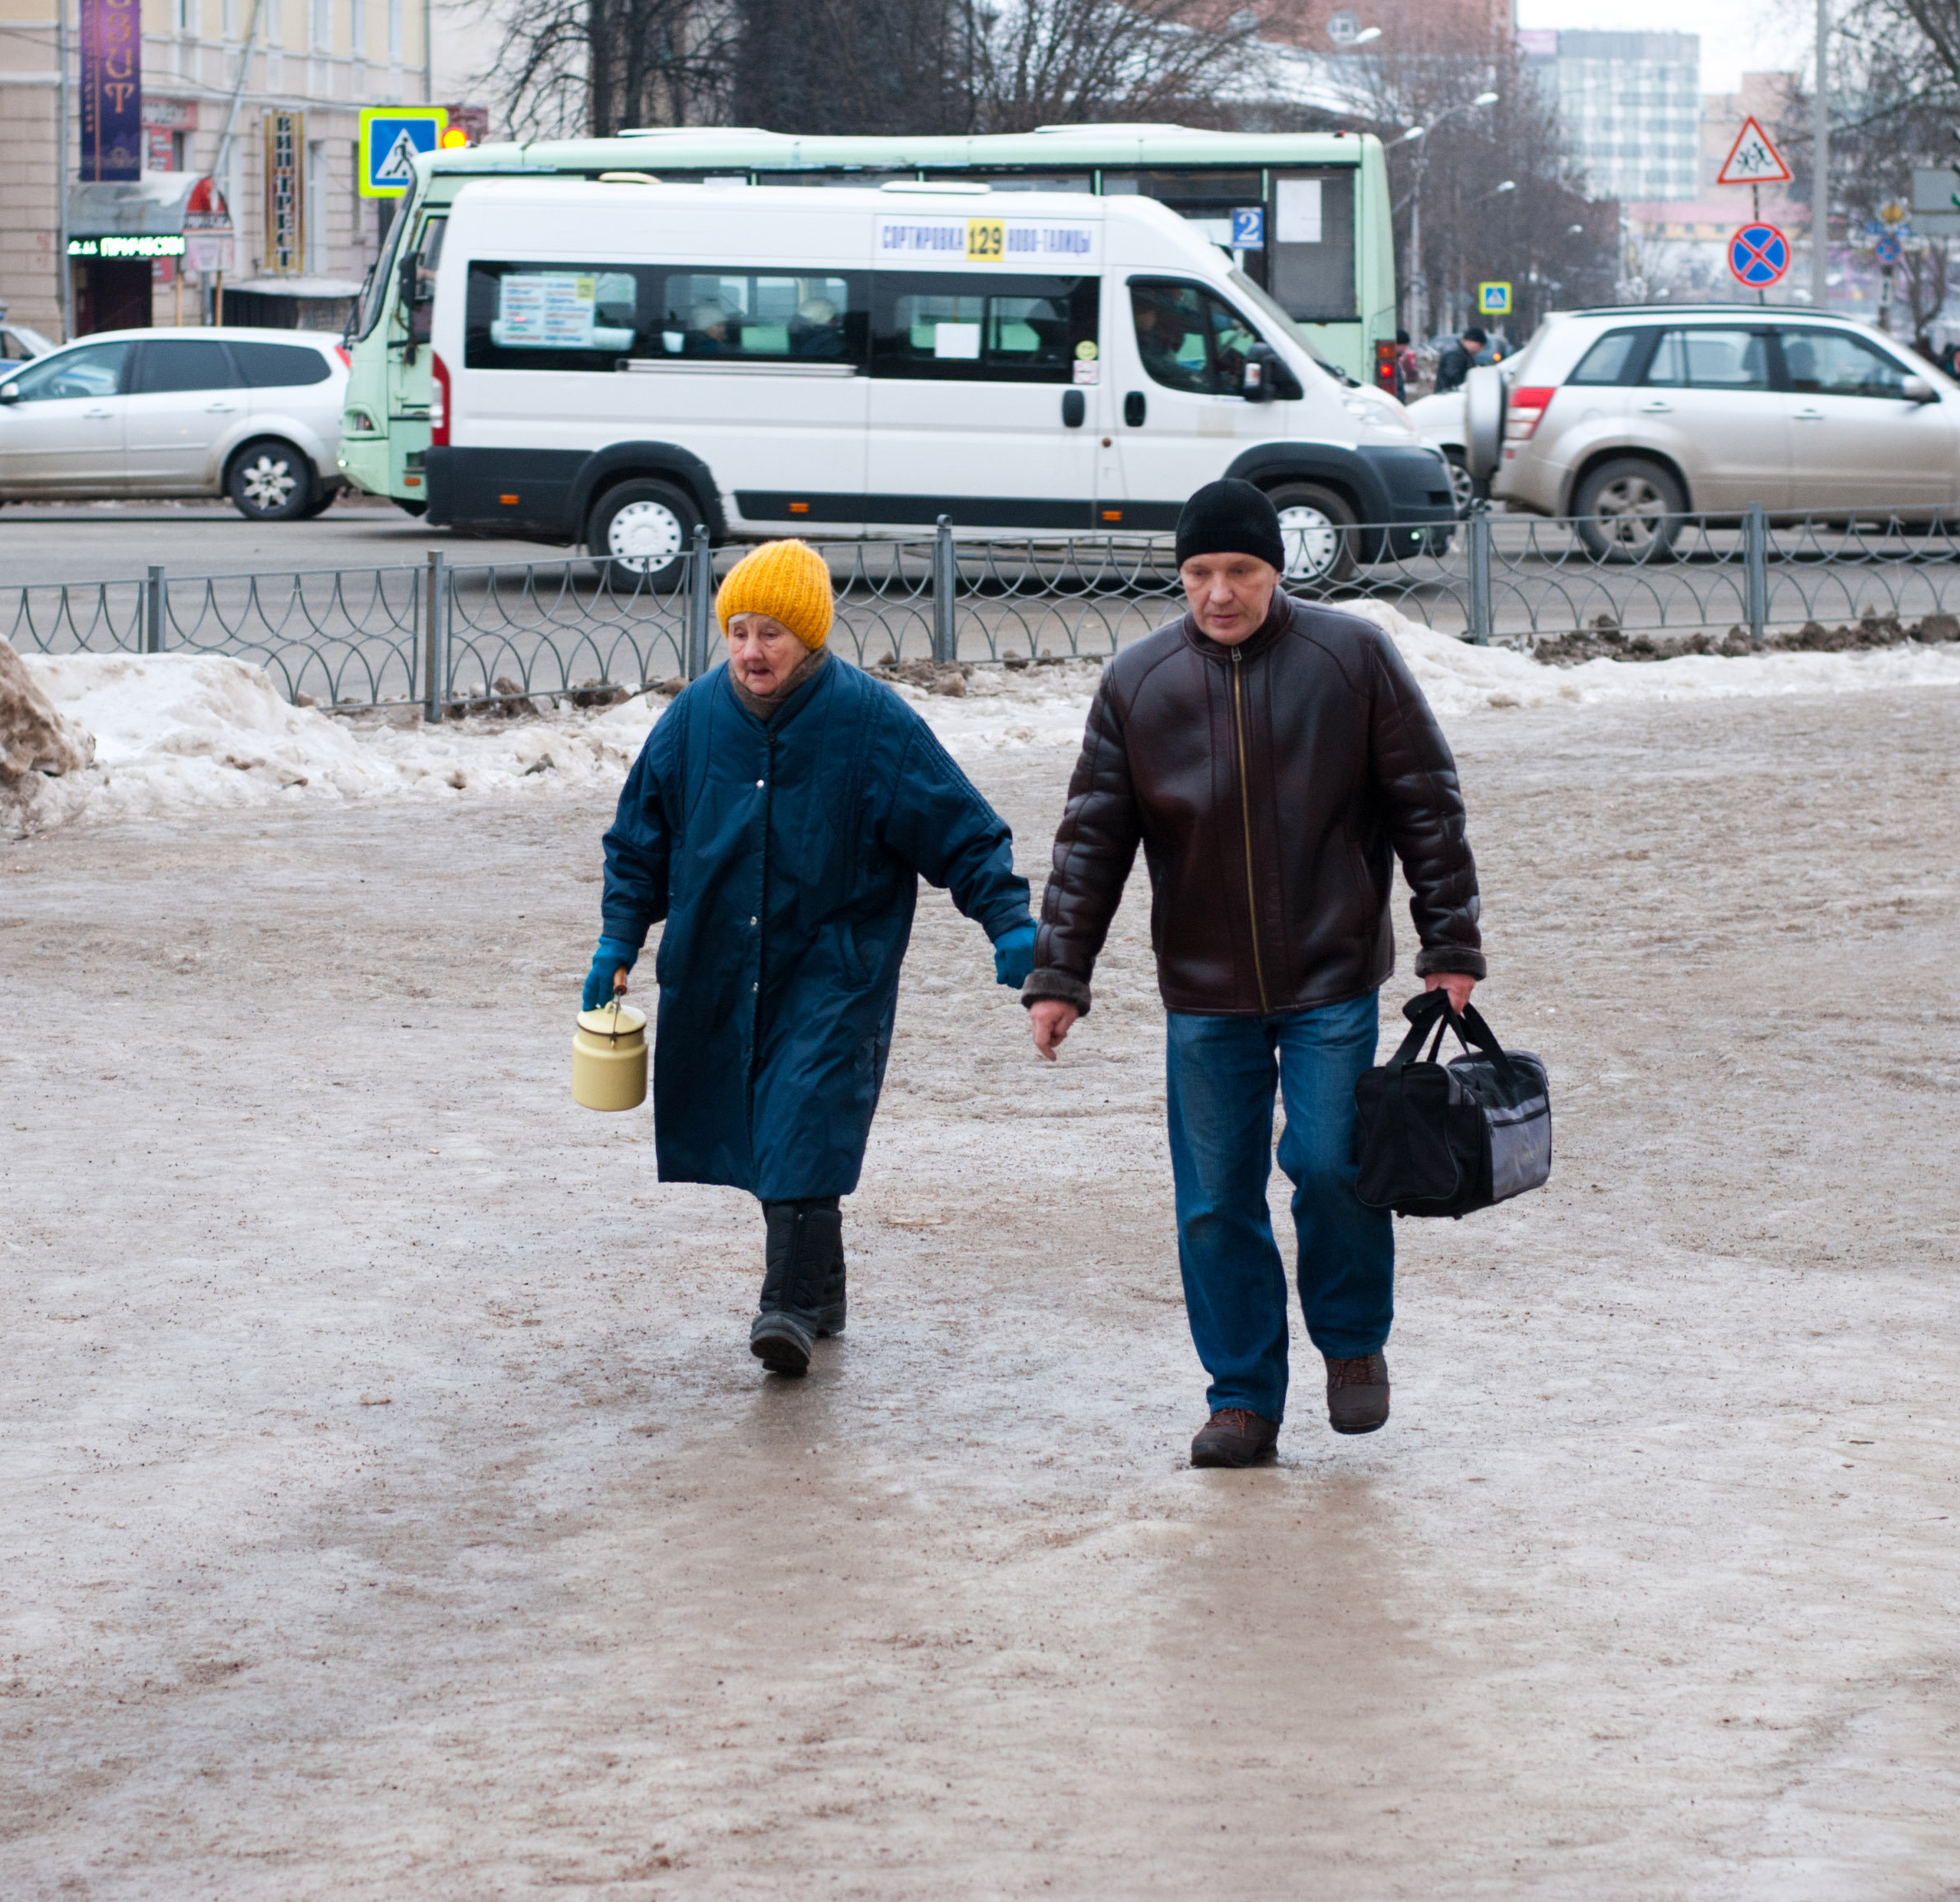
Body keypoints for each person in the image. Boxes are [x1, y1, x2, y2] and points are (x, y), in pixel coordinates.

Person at [1021, 480, 1485, 1469]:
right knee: (1214, 1200)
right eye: (1199, 573)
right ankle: (1242, 1398)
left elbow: (1426, 806)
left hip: (1331, 977)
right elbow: (1091, 838)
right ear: (1180, 574)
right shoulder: (1140, 683)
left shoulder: (1351, 658)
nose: (1219, 593)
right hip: (1204, 991)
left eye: (1241, 571)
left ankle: (1353, 1342)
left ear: (1277, 569)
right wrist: (1059, 972)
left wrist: (1450, 947)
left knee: (1330, 1164)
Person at [584, 541, 1038, 1377]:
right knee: (767, 1125)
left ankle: (785, 1307)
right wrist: (620, 937)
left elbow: (963, 830)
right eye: (739, 633)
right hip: (722, 959)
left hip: (835, 967)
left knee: (801, 1113)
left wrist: (1008, 921)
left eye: (772, 635)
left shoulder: (873, 723)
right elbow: (639, 841)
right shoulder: (692, 721)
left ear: (812, 638)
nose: (752, 652)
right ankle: (821, 1291)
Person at [1433, 324, 1487, 395]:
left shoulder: (1462, 353)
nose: (1481, 350)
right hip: (1449, 396)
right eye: (1480, 345)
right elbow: (1453, 376)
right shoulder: (1455, 354)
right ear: (1471, 341)